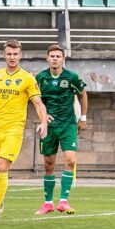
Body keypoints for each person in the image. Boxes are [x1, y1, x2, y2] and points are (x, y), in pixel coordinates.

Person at [0, 40, 48, 222]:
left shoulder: (28, 78)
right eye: (9, 54)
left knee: (3, 167)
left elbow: (38, 102)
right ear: (4, 55)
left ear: (20, 55)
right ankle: (0, 195)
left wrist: (44, 121)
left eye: (15, 54)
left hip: (13, 130)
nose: (12, 57)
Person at [34, 45, 88, 215]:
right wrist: (44, 116)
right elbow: (37, 100)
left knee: (71, 160)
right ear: (47, 58)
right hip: (49, 126)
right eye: (52, 56)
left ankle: (63, 201)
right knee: (48, 164)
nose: (55, 58)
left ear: (63, 58)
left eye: (58, 56)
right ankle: (48, 203)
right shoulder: (41, 78)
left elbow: (83, 94)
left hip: (67, 125)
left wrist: (83, 118)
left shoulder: (71, 77)